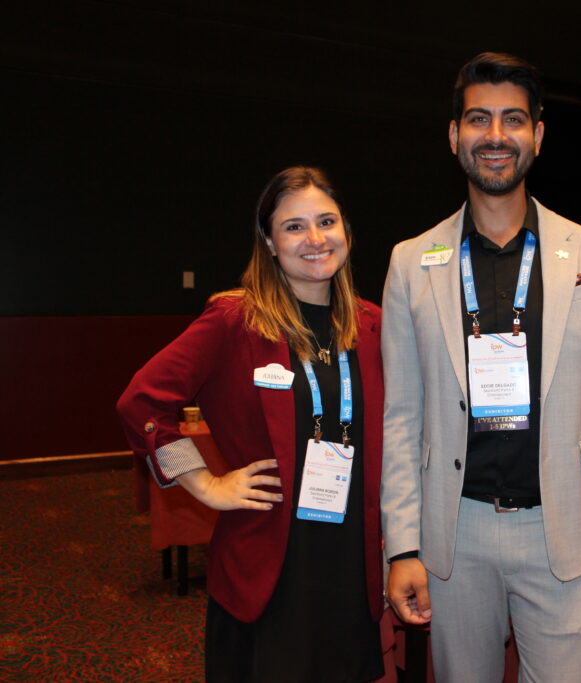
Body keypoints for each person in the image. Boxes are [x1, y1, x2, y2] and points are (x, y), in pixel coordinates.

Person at [380, 52, 581, 681]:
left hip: (566, 532)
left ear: (538, 134)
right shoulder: (410, 262)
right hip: (456, 535)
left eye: (513, 119)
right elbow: (402, 420)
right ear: (454, 136)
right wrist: (403, 546)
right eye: (479, 119)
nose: (496, 136)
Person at [117, 167, 385, 682]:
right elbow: (141, 403)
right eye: (293, 226)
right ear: (268, 241)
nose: (314, 238)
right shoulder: (234, 322)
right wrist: (205, 483)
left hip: (350, 560)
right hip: (268, 563)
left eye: (326, 221)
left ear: (346, 230)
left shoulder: (370, 324)